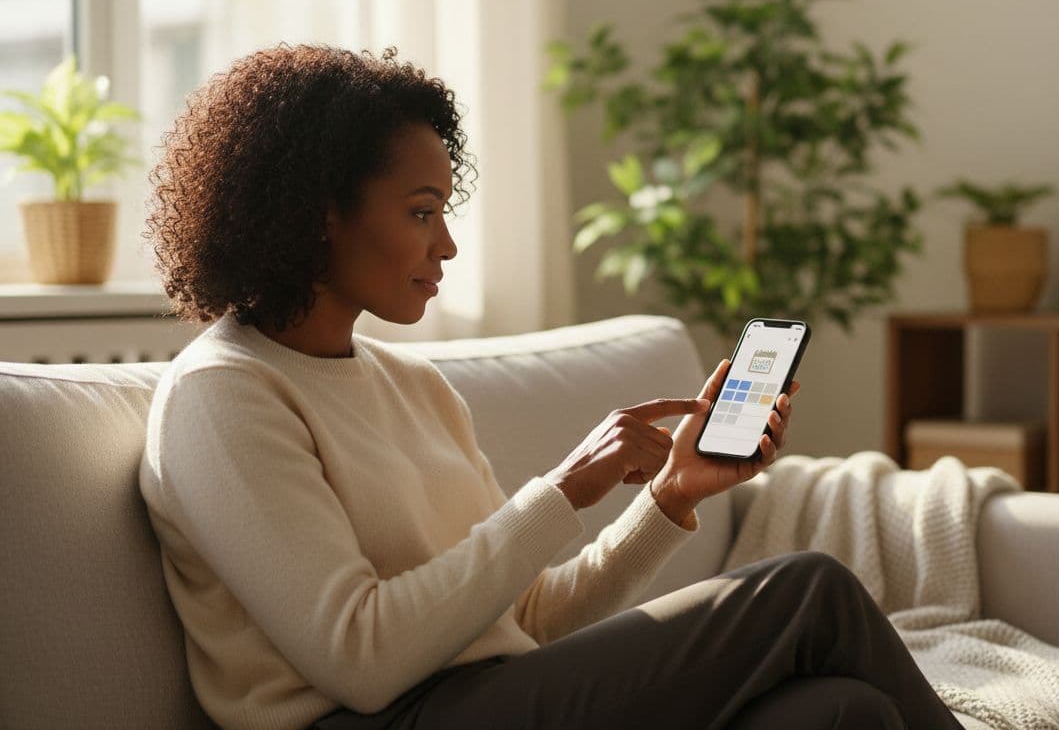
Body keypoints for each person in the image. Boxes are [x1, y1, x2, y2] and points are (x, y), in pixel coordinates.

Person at [138, 43, 964, 730]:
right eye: (422, 212)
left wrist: (670, 496)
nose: (449, 245)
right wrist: (566, 489)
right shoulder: (224, 395)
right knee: (805, 589)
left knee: (842, 712)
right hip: (371, 721)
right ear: (321, 214)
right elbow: (358, 659)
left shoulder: (413, 388)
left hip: (487, 698)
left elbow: (523, 621)